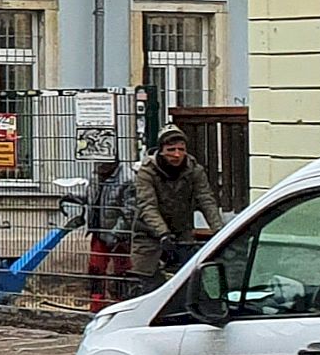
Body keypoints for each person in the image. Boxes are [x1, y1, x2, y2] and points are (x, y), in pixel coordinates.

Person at [132, 126, 224, 285]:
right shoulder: (147, 172)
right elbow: (147, 205)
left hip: (182, 234)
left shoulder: (194, 170)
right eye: (171, 150)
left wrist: (219, 231)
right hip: (149, 237)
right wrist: (163, 233)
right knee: (147, 282)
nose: (177, 154)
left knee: (186, 282)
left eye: (181, 149)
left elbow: (206, 199)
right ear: (161, 151)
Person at [85, 158, 137, 311]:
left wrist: (117, 233)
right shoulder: (96, 176)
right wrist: (74, 196)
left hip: (119, 235)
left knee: (122, 272)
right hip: (99, 231)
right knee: (95, 269)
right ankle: (96, 305)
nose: (99, 164)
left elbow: (130, 211)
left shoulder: (128, 179)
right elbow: (92, 197)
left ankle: (122, 305)